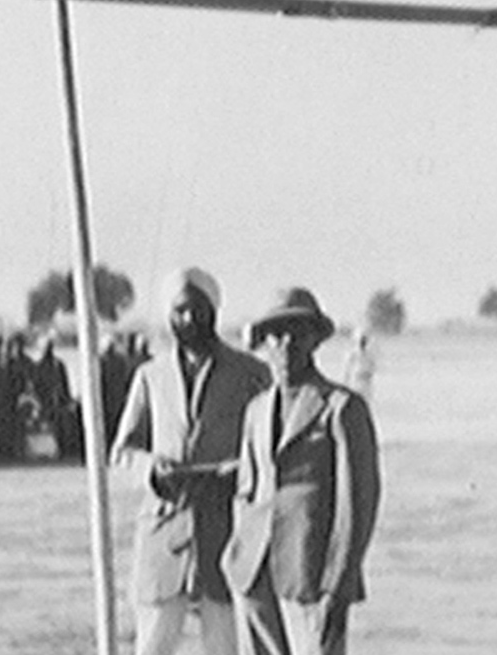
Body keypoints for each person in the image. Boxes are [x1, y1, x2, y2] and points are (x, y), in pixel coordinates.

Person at [111, 268, 272, 655]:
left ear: (214, 310)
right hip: (164, 534)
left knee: (225, 646)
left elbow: (270, 448)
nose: (188, 319)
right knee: (152, 645)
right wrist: (152, 470)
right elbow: (123, 451)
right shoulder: (150, 376)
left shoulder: (251, 374)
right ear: (169, 316)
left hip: (227, 535)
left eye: (198, 309)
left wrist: (238, 472)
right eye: (180, 311)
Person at [223, 288, 381, 655]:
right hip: (253, 573)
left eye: (296, 332)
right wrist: (236, 559)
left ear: (314, 338)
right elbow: (246, 492)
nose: (285, 344)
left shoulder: (341, 408)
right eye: (275, 334)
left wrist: (337, 587)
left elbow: (357, 506)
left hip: (310, 577)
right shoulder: (256, 410)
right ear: (263, 342)